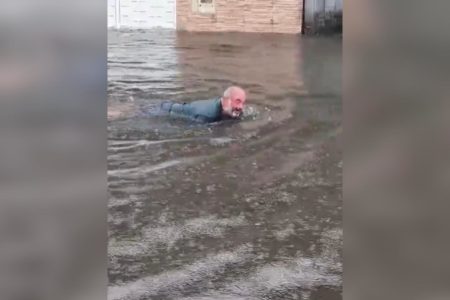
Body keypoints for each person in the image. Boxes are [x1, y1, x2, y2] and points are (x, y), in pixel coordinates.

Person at [160, 86, 246, 123]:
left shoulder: (230, 109)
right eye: (237, 101)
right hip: (164, 110)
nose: (241, 107)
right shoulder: (207, 116)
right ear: (226, 100)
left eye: (243, 102)